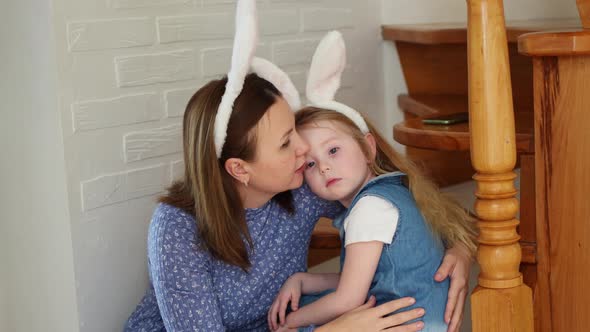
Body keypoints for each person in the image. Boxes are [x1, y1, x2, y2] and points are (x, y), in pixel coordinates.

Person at [124, 2, 474, 331]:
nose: (304, 149)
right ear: (239, 169)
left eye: (294, 131)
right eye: (286, 142)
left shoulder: (302, 185)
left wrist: (459, 250)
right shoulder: (177, 228)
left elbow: (412, 210)